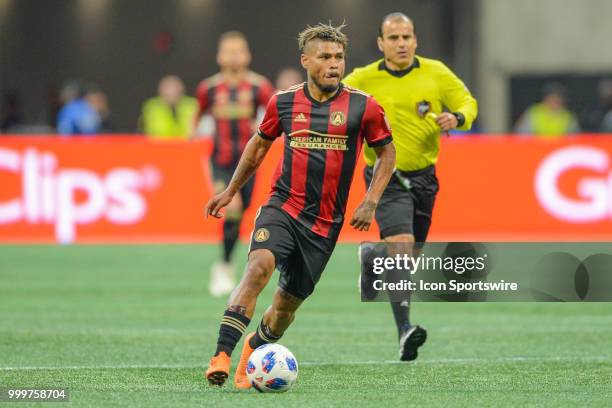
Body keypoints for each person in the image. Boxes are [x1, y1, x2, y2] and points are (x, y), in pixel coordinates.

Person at [204, 22, 396, 388]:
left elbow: (387, 152)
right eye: (325, 57)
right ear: (306, 60)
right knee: (257, 269)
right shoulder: (284, 102)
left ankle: (252, 349)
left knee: (284, 311)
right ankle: (221, 357)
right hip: (283, 208)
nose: (334, 64)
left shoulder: (363, 106)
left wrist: (370, 200)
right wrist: (230, 191)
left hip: (324, 226)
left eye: (339, 57)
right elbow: (259, 146)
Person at [343, 12, 478, 361]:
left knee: (407, 259)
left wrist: (458, 117)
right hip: (384, 179)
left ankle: (373, 259)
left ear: (415, 40)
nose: (401, 43)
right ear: (380, 44)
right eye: (393, 38)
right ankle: (405, 331)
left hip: (424, 178)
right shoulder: (362, 79)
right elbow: (336, 106)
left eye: (407, 37)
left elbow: (468, 103)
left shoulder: (436, 72)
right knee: (401, 249)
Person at [194, 31, 274, 297]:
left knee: (242, 212)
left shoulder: (258, 86)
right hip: (220, 161)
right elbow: (196, 120)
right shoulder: (209, 88)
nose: (234, 56)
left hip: (249, 162)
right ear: (219, 56)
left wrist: (263, 126)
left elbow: (275, 116)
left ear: (248, 55)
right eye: (228, 51)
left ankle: (224, 262)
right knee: (233, 208)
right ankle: (225, 267)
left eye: (239, 51)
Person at [141, 75, 198, 139]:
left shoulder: (192, 104)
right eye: (167, 89)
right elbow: (156, 131)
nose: (171, 92)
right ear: (160, 90)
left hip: (187, 144)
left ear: (182, 90)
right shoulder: (152, 106)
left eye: (174, 89)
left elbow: (192, 130)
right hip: (160, 145)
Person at [514, 82, 579, 137]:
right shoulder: (534, 112)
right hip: (536, 148)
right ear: (545, 99)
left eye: (558, 99)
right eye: (552, 99)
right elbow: (521, 134)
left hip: (559, 150)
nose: (555, 102)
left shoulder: (567, 116)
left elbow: (574, 136)